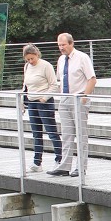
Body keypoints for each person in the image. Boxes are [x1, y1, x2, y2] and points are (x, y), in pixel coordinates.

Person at [48, 33, 97, 176]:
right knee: (67, 134)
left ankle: (81, 167)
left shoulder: (82, 58)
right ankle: (65, 166)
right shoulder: (61, 59)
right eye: (59, 45)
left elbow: (92, 79)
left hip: (79, 98)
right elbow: (60, 79)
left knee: (81, 134)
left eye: (63, 45)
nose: (61, 48)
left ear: (71, 43)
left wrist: (84, 97)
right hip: (64, 99)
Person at [21, 44, 59, 172]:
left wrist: (44, 97)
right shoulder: (27, 66)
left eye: (32, 59)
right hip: (32, 102)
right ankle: (37, 162)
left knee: (51, 132)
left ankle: (59, 159)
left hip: (44, 102)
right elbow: (25, 86)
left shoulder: (46, 65)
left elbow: (54, 84)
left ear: (37, 55)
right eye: (28, 60)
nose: (30, 62)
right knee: (36, 134)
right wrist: (23, 101)